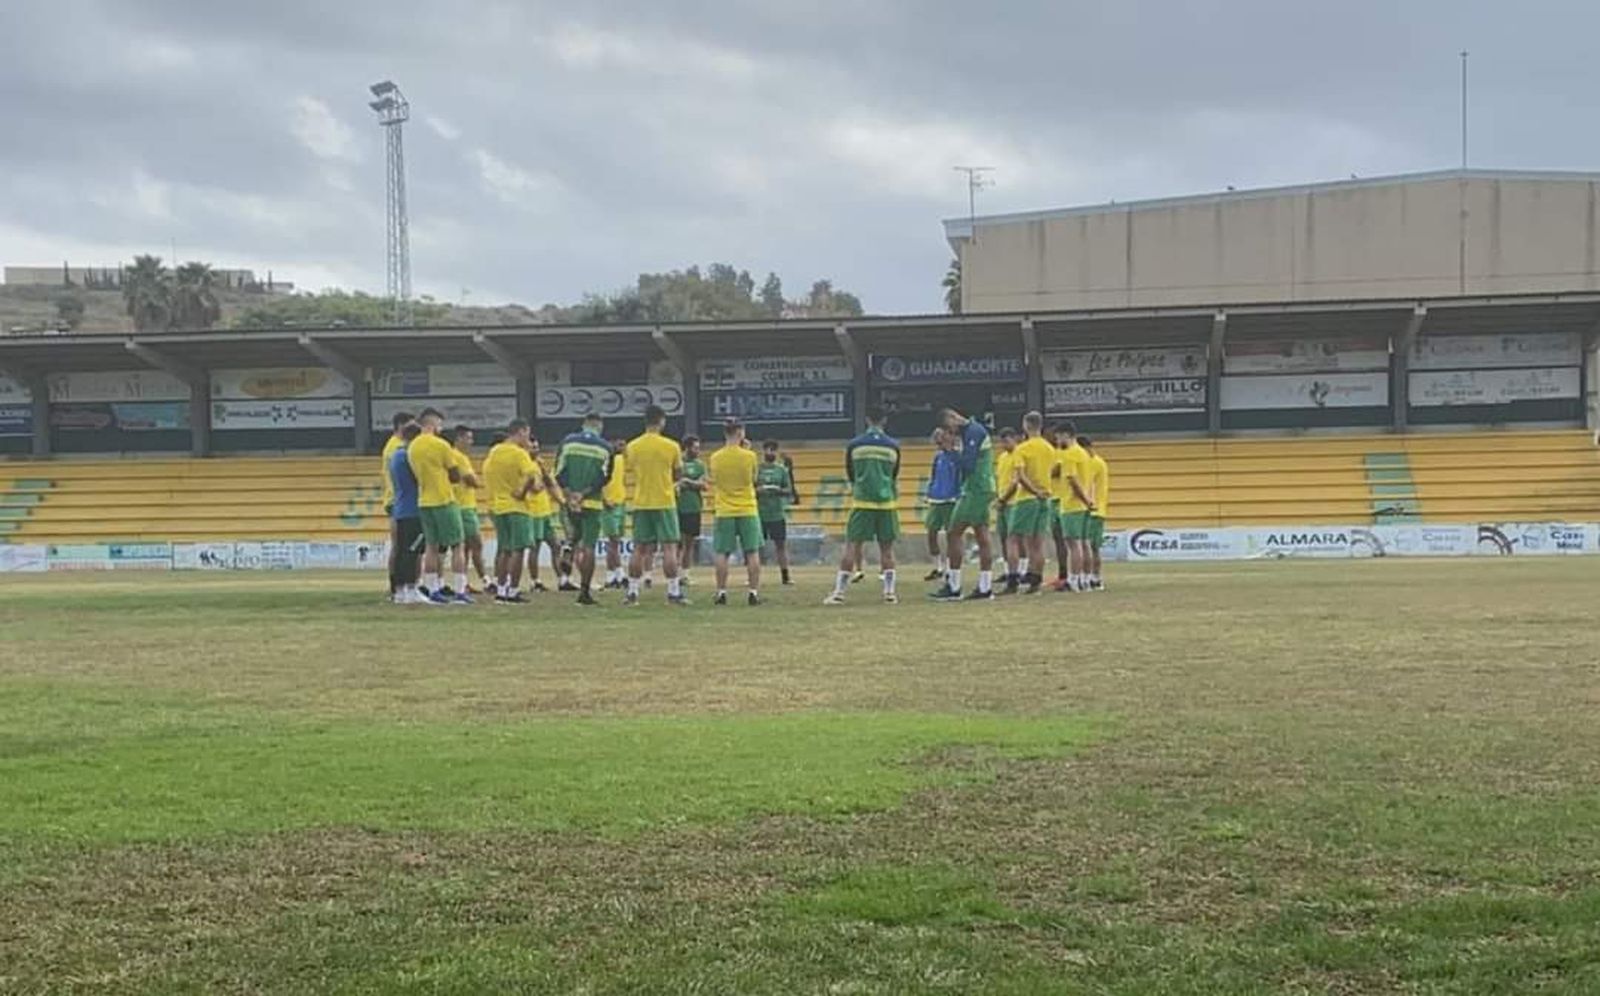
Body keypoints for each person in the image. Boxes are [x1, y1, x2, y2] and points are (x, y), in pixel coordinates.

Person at [824, 407, 901, 606]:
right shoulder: (893, 446)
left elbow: (851, 473)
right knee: (887, 550)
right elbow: (894, 474)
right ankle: (890, 593)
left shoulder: (855, 445)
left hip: (862, 502)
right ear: (884, 420)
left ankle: (839, 593)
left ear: (867, 420)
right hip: (886, 503)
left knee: (852, 546)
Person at [623, 404, 689, 606]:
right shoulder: (671, 446)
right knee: (669, 547)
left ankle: (632, 592)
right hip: (665, 501)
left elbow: (630, 469)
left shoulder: (633, 446)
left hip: (641, 501)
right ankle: (673, 592)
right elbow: (678, 474)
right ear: (661, 421)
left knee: (639, 548)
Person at [933, 407, 997, 601]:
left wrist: (949, 449)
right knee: (981, 534)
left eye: (949, 428)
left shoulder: (973, 432)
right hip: (979, 487)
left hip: (976, 488)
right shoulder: (971, 432)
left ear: (953, 418)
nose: (951, 432)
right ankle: (984, 586)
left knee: (954, 532)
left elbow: (968, 465)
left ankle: (955, 585)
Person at [406, 408, 469, 604]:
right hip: (443, 499)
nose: (441, 428)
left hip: (424, 500)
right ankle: (460, 590)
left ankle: (433, 589)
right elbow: (455, 475)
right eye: (440, 424)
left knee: (431, 546)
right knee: (458, 544)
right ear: (432, 424)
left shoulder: (413, 446)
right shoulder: (441, 445)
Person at [554, 413, 613, 605]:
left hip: (571, 501)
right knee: (588, 547)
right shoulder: (605, 447)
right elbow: (604, 477)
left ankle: (569, 548)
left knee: (576, 534)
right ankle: (584, 591)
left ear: (584, 425)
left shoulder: (568, 442)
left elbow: (559, 472)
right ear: (599, 426)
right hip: (592, 503)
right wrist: (583, 494)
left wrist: (571, 494)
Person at [482, 420, 540, 603]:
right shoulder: (519, 453)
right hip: (517, 507)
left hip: (499, 506)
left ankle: (501, 590)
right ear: (521, 431)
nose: (528, 439)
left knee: (504, 550)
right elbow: (532, 477)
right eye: (527, 434)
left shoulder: (495, 451)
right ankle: (513, 590)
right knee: (518, 550)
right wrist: (523, 491)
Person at [707, 419, 763, 605]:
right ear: (740, 433)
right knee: (752, 552)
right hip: (747, 508)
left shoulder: (715, 457)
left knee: (722, 552)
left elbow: (715, 479)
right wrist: (746, 450)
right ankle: (753, 592)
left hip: (724, 509)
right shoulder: (750, 456)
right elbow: (753, 479)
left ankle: (721, 592)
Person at [1005, 411, 1057, 595]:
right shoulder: (1049, 448)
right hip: (1045, 498)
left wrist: (1034, 491)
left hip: (1027, 498)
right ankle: (1036, 581)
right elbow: (1052, 471)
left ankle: (1012, 580)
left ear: (1026, 425)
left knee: (1013, 538)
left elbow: (1020, 476)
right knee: (1037, 543)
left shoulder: (1022, 449)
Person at [387, 422, 431, 605]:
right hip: (412, 509)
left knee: (402, 550)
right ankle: (411, 589)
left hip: (400, 508)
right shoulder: (408, 456)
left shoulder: (395, 455)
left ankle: (399, 590)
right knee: (412, 552)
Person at [1053, 422, 1095, 592]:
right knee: (1085, 543)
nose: (1057, 441)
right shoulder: (1083, 454)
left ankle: (1074, 580)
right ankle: (1086, 579)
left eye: (1058, 437)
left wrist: (1085, 500)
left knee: (1073, 545)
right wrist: (1088, 501)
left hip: (1072, 504)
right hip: (1082, 507)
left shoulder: (1070, 454)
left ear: (1066, 435)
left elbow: (1073, 481)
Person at [379, 409, 415, 597]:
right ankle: (397, 585)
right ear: (401, 426)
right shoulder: (396, 447)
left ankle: (399, 584)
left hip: (395, 498)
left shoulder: (393, 445)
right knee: (401, 545)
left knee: (400, 545)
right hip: (397, 499)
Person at [450, 426, 489, 593]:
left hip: (463, 504)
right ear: (459, 439)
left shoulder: (456, 456)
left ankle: (463, 582)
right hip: (464, 506)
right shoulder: (459, 457)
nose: (471, 442)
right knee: (476, 543)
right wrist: (476, 481)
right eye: (468, 438)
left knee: (465, 547)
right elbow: (472, 480)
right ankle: (486, 580)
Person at [524, 437, 563, 594]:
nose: (536, 450)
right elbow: (535, 488)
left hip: (545, 511)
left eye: (537, 446)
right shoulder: (525, 465)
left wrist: (545, 472)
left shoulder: (539, 464)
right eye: (532, 447)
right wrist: (544, 480)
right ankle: (535, 581)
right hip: (533, 512)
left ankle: (562, 578)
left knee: (556, 545)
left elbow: (550, 483)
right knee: (535, 548)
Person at [921, 427, 960, 582]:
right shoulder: (938, 457)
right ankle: (938, 567)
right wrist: (929, 492)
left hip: (951, 500)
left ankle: (950, 568)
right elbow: (934, 475)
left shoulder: (957, 456)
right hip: (936, 499)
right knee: (931, 532)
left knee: (951, 535)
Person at [757, 440, 796, 586]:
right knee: (757, 547)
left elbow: (789, 490)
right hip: (760, 513)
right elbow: (750, 488)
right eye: (767, 449)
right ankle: (753, 576)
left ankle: (785, 576)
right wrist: (758, 490)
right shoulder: (757, 470)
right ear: (763, 451)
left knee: (780, 545)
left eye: (772, 450)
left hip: (777, 513)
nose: (769, 452)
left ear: (776, 452)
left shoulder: (781, 470)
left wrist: (778, 490)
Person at [676, 435, 707, 582]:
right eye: (695, 448)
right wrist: (694, 483)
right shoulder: (678, 463)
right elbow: (675, 483)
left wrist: (687, 481)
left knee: (689, 543)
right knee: (676, 544)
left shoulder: (700, 465)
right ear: (687, 448)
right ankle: (674, 575)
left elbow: (704, 485)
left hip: (694, 507)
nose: (698, 451)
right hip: (677, 506)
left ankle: (685, 575)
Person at [1081, 436, 1110, 591]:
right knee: (1093, 547)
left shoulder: (1092, 463)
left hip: (1092, 509)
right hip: (1098, 509)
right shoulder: (1100, 462)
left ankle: (1092, 578)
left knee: (1089, 546)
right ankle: (1095, 577)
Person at [600, 438, 629, 589]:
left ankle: (611, 576)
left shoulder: (622, 460)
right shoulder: (604, 461)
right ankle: (619, 574)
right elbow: (597, 482)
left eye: (624, 445)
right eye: (619, 444)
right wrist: (604, 499)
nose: (622, 447)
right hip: (609, 505)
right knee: (613, 541)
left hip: (620, 503)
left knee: (615, 542)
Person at [993, 428, 1020, 587]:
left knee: (1014, 538)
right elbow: (1000, 479)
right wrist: (999, 498)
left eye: (1007, 440)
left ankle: (1019, 571)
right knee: (1003, 537)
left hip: (1013, 502)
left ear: (1014, 439)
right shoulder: (1002, 457)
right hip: (1002, 502)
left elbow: (1016, 482)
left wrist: (1003, 499)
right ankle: (1007, 570)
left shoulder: (1018, 455)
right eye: (1002, 441)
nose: (1004, 444)